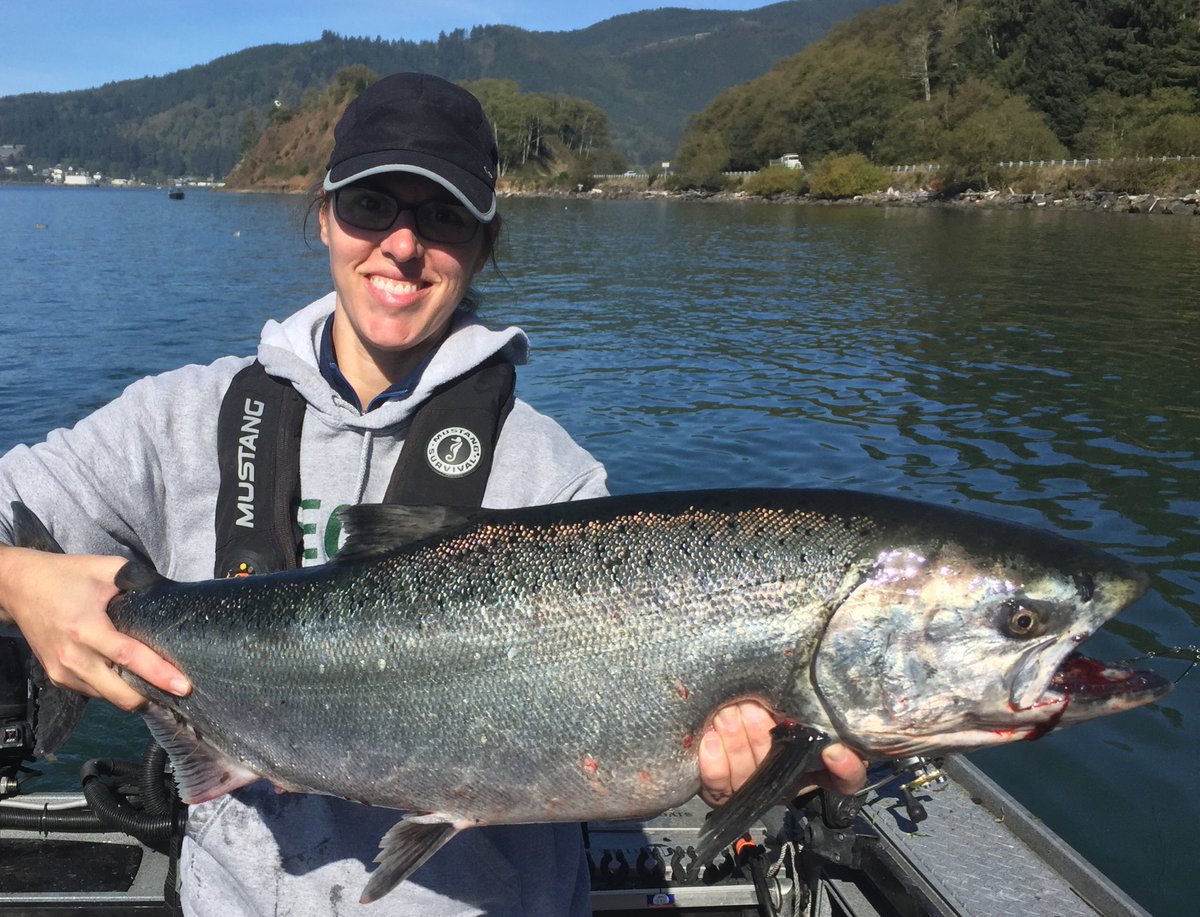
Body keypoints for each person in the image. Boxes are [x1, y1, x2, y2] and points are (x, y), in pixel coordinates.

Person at [0, 73, 864, 915]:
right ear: (325, 217)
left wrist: (739, 774)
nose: (403, 245)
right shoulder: (178, 421)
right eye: (372, 204)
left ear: (487, 239)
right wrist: (21, 583)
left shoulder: (557, 483)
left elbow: (614, 775)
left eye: (443, 215)